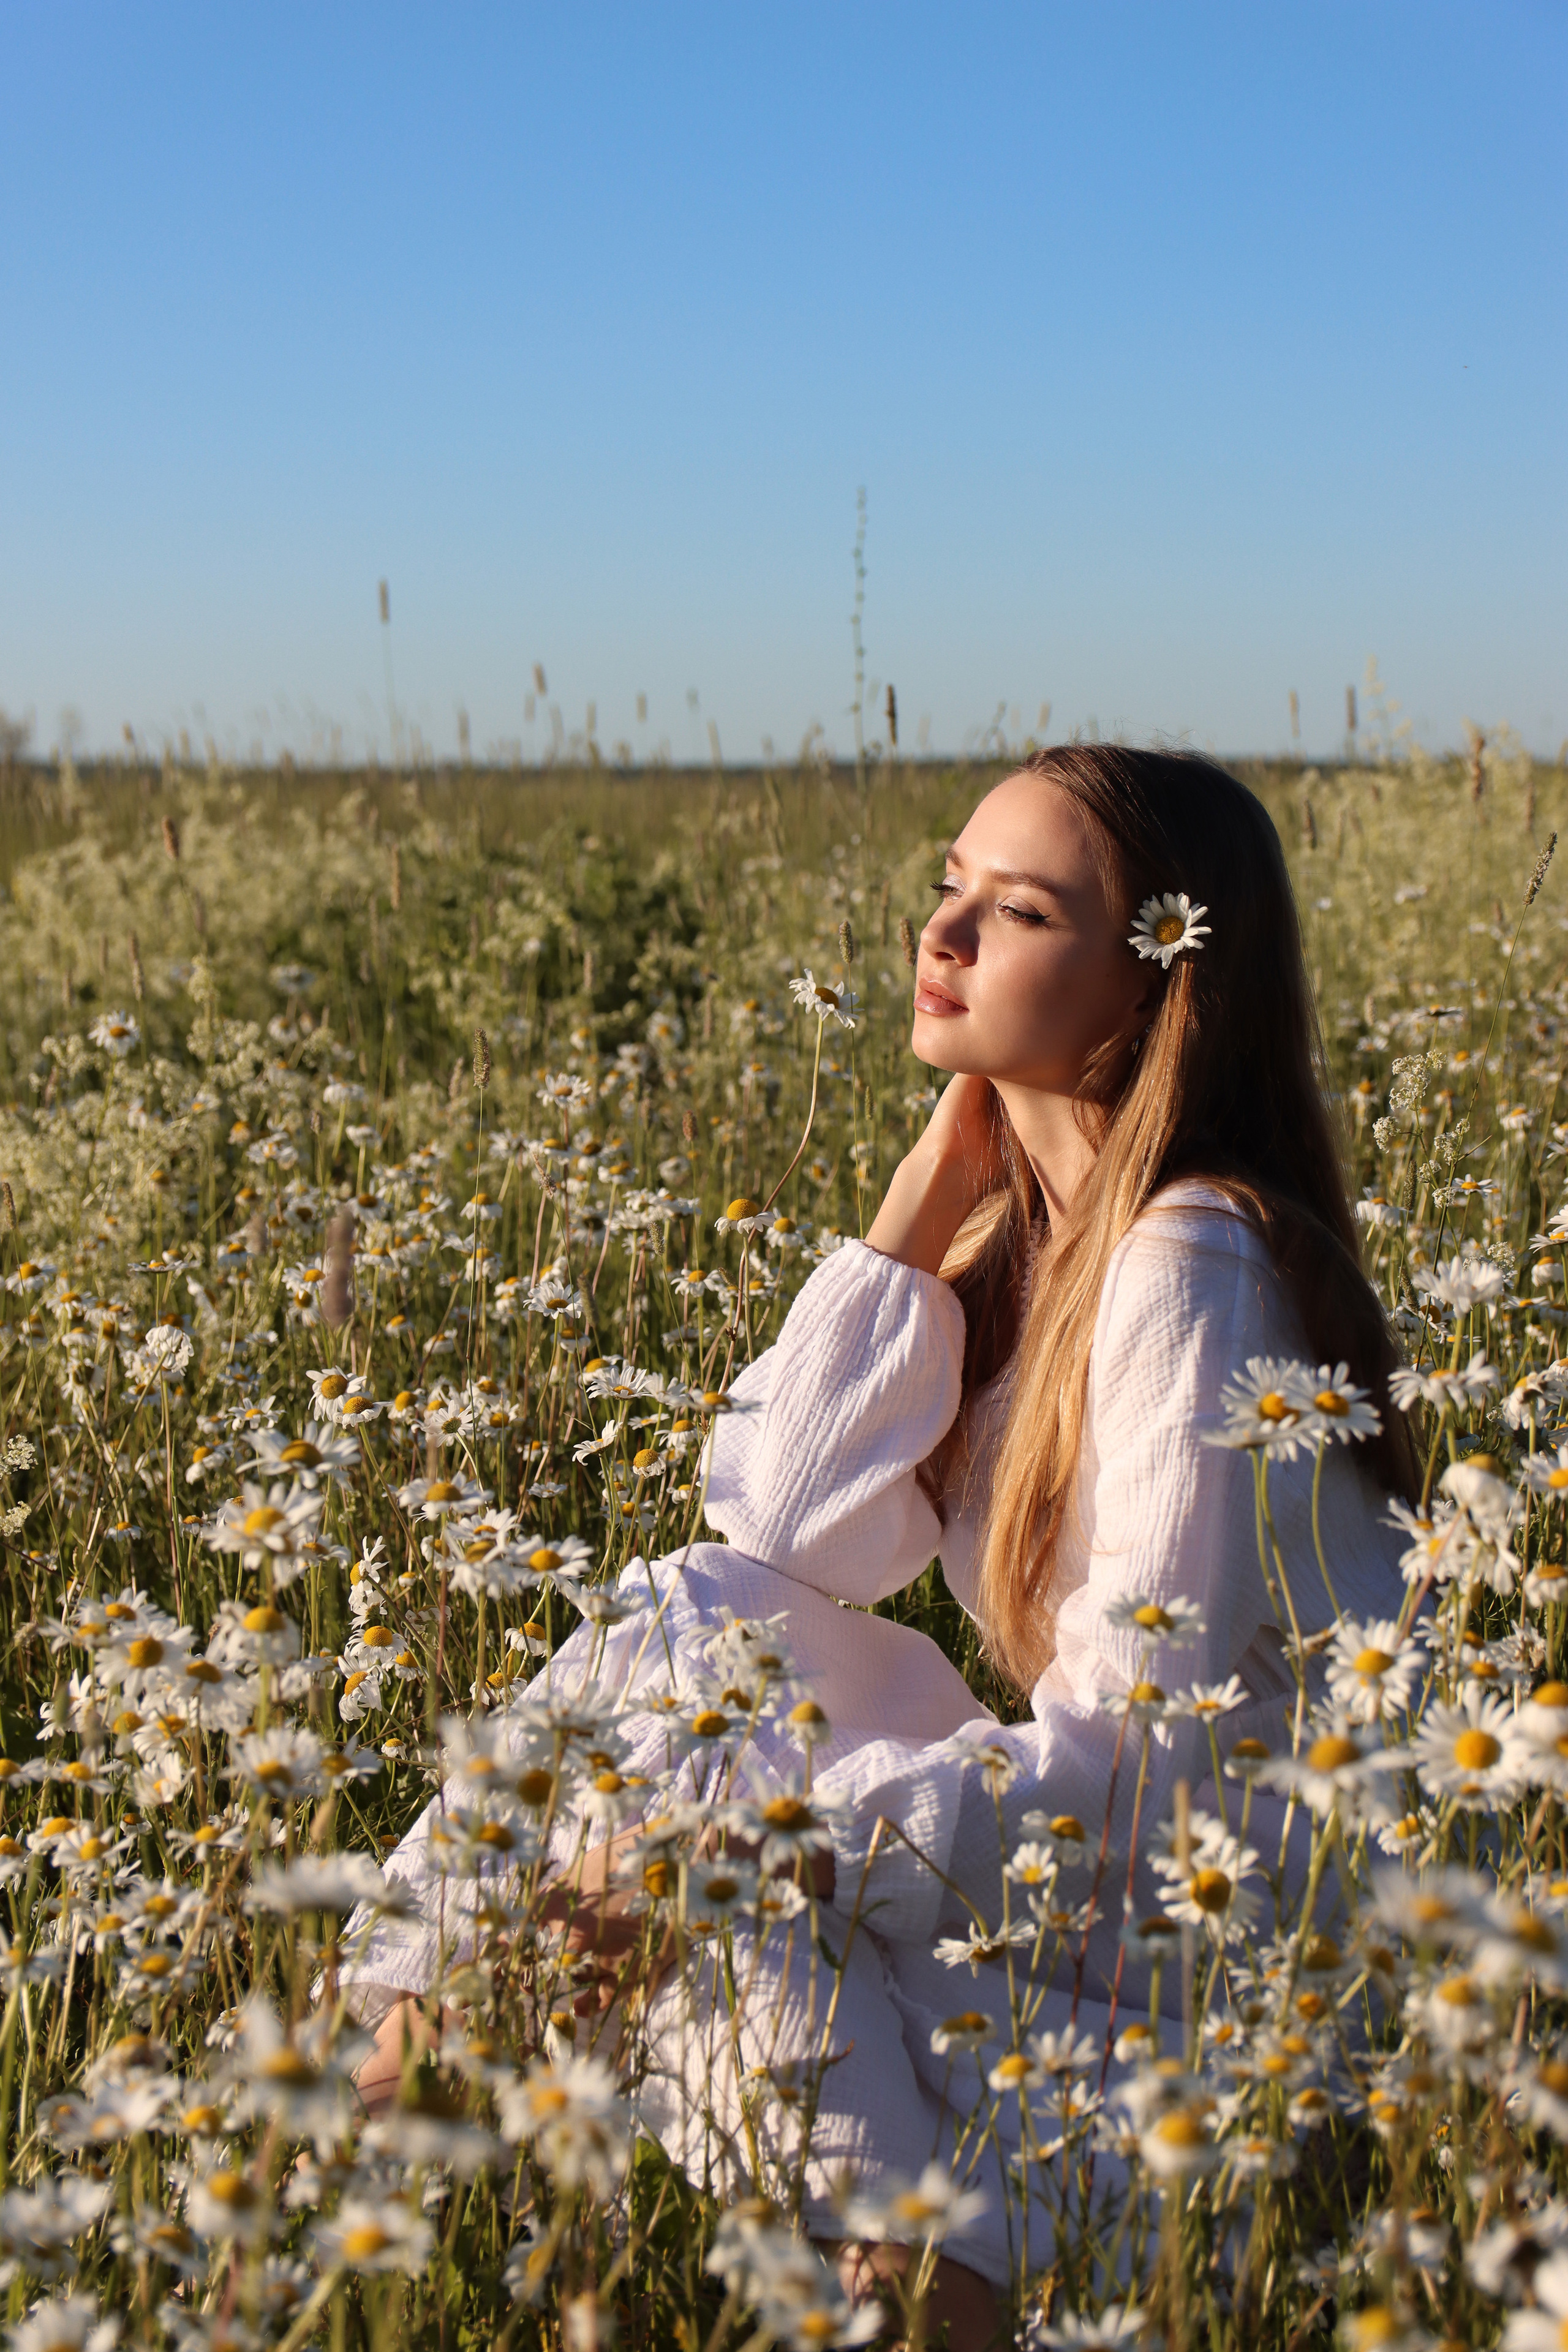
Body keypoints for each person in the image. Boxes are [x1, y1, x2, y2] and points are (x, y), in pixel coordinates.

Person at [345, 746, 1414, 2348]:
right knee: (690, 1629)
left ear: (1155, 983)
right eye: (949, 889)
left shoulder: (1197, 1270)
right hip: (1093, 1890)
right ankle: (410, 2063)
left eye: (1024, 909)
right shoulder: (1048, 1234)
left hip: (1203, 1971)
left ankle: (915, 2283)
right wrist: (923, 1206)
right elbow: (780, 1531)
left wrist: (730, 1863)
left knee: (733, 1901)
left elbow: (1139, 1767)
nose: (949, 936)